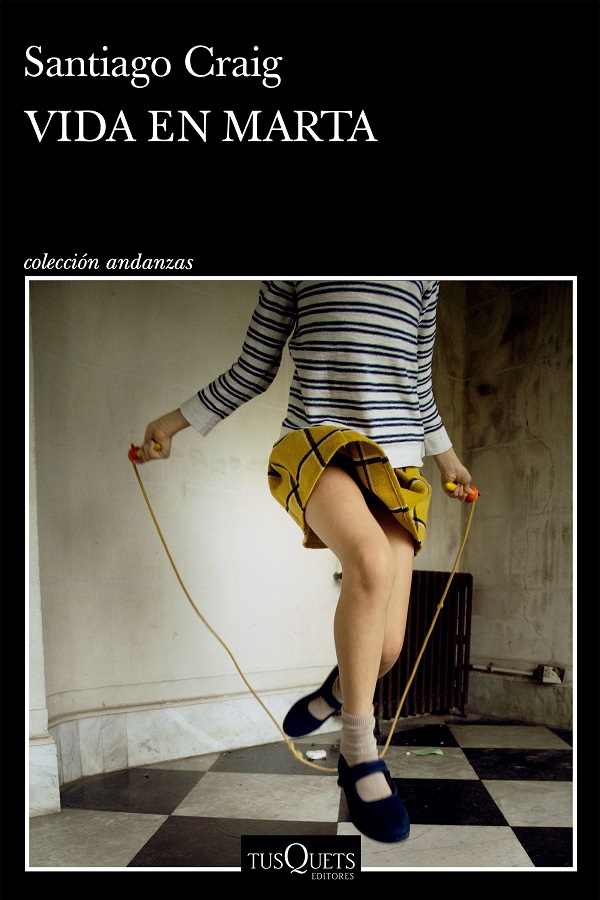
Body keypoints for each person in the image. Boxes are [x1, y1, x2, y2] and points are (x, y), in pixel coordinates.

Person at [134, 280, 473, 843]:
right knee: (370, 562)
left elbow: (417, 380)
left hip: (399, 459)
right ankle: (359, 751)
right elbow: (254, 365)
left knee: (387, 649)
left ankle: (334, 695)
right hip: (317, 443)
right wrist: (172, 422)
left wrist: (448, 458)